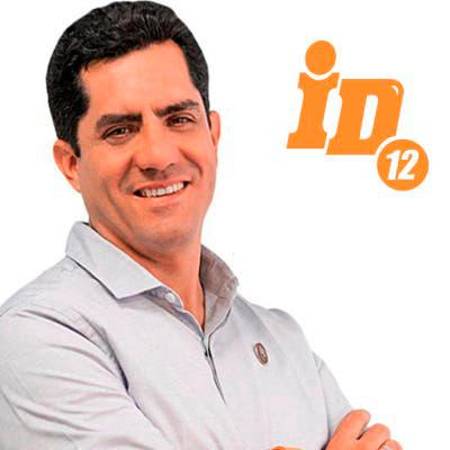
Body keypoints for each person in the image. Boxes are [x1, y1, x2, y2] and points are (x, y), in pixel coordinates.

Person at [0, 2, 401, 449]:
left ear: (212, 134)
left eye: (179, 119)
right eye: (120, 130)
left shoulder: (282, 340)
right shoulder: (37, 333)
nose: (158, 156)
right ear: (71, 163)